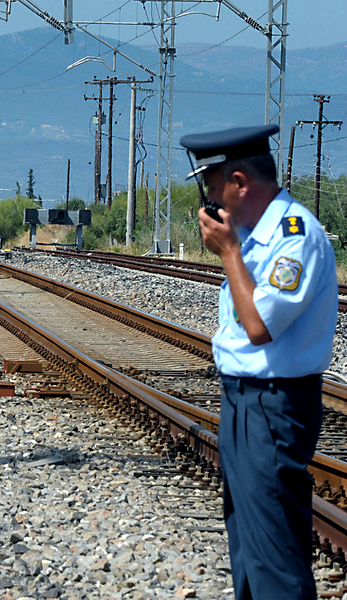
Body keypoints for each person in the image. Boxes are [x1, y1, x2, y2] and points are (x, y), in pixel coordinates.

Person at [181, 124, 338, 600]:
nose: (210, 200)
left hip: (274, 406)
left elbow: (259, 326)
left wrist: (228, 252)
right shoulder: (253, 233)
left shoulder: (295, 237)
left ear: (240, 181)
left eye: (212, 186)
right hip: (243, 401)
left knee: (274, 552)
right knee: (247, 545)